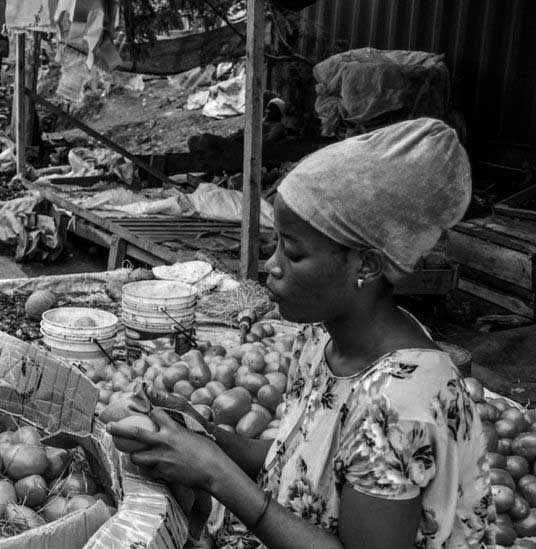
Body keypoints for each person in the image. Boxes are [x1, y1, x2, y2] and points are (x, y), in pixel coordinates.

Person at [109, 118, 490, 549]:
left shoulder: (400, 406)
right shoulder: (319, 341)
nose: (271, 266)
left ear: (366, 265)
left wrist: (217, 473)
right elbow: (291, 464)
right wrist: (203, 433)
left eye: (292, 252)